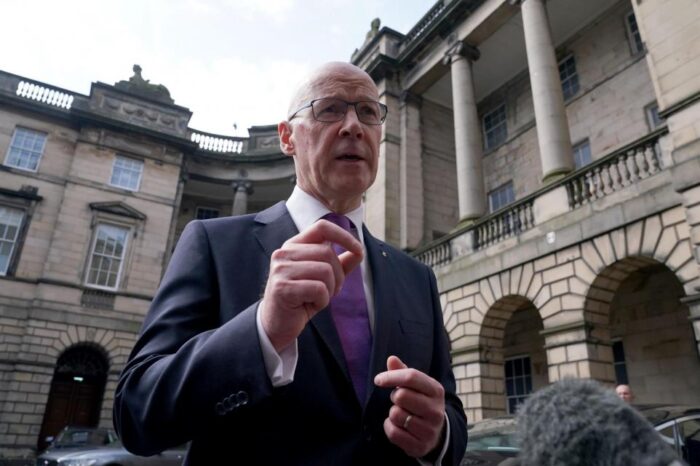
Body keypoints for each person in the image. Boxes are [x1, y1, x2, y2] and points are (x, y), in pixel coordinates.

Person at [113, 62, 467, 465]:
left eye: (368, 112)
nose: (353, 125)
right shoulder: (213, 243)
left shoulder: (417, 277)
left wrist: (439, 436)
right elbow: (136, 414)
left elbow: (450, 412)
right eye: (330, 109)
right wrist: (261, 331)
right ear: (287, 138)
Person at [513, 379, 682, 466]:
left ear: (632, 396)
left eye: (625, 394)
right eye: (619, 394)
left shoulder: (638, 422)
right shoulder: (596, 419)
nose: (622, 397)